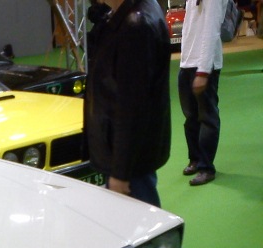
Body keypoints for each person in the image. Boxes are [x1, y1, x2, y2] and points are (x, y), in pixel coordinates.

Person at [84, 0, 171, 206]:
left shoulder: (135, 25)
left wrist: (121, 172)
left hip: (129, 160)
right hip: (128, 153)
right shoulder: (127, 16)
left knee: (141, 228)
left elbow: (132, 106)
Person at [178, 0, 227, 186]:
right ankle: (195, 159)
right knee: (190, 117)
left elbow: (211, 31)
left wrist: (203, 71)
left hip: (204, 66)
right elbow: (189, 29)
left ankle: (207, 167)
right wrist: (185, 62)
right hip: (188, 63)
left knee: (207, 117)